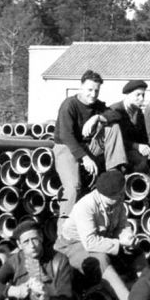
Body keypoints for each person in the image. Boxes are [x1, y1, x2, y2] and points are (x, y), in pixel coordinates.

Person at [55, 171, 145, 300]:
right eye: (118, 194)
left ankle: (146, 287)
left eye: (122, 193)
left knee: (136, 251)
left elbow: (122, 226)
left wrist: (128, 237)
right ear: (105, 195)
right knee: (101, 260)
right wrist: (120, 243)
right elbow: (90, 242)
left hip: (101, 241)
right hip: (71, 246)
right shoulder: (86, 206)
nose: (122, 197)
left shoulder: (116, 202)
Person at [53, 70, 128, 219]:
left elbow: (116, 115)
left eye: (96, 90)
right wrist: (85, 158)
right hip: (66, 147)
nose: (93, 94)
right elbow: (66, 135)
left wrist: (97, 118)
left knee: (113, 127)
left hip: (87, 146)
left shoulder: (96, 105)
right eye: (89, 90)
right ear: (81, 87)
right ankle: (63, 231)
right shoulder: (69, 105)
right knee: (73, 187)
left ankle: (114, 171)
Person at [0, 221, 73, 300]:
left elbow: (65, 296)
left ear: (41, 237)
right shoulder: (14, 261)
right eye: (26, 242)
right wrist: (14, 291)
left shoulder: (59, 260)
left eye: (34, 239)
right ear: (19, 245)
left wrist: (47, 296)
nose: (32, 245)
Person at [110, 80, 150, 173]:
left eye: (143, 95)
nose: (141, 98)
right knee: (141, 163)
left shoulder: (138, 113)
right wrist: (136, 146)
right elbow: (113, 139)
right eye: (138, 95)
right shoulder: (115, 110)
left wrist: (148, 149)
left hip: (133, 151)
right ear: (127, 95)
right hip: (117, 154)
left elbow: (143, 137)